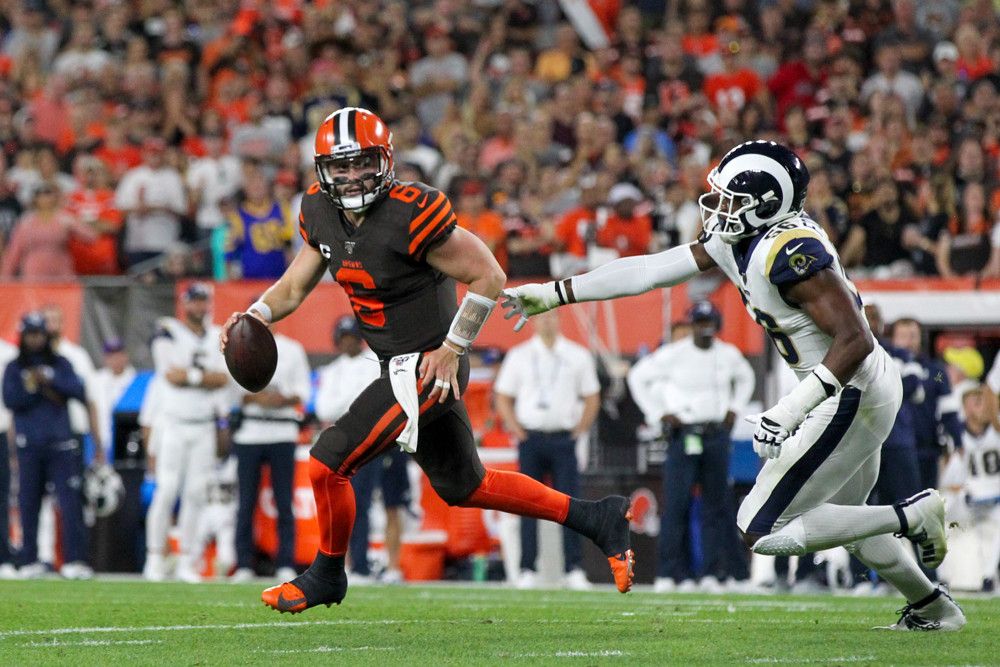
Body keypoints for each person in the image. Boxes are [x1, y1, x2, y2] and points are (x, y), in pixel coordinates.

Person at [503, 140, 965, 631]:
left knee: (759, 528)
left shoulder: (789, 251)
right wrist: (556, 293)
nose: (720, 208)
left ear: (766, 206)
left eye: (733, 199)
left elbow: (856, 340)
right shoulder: (742, 239)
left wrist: (789, 411)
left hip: (849, 391)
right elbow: (649, 270)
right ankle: (934, 608)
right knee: (847, 519)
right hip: (854, 389)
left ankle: (911, 516)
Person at [220, 107, 633, 614]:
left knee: (327, 462)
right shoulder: (319, 211)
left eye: (362, 162)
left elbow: (490, 275)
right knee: (467, 485)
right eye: (341, 166)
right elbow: (291, 288)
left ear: (385, 161)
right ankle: (597, 518)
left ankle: (326, 574)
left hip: (428, 363)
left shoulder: (411, 211)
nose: (353, 176)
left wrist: (454, 348)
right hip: (396, 366)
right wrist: (254, 315)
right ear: (323, 170)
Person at [627, 301, 755, 593]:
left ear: (717, 325)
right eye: (700, 322)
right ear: (692, 325)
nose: (704, 328)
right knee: (676, 505)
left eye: (709, 322)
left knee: (716, 506)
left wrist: (735, 407)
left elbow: (747, 377)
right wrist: (657, 413)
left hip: (715, 434)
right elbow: (637, 377)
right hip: (683, 434)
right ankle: (668, 573)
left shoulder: (727, 354)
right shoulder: (674, 354)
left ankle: (711, 572)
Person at [493, 309, 601, 591]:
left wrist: (580, 429)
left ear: (559, 319)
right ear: (533, 322)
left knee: (570, 506)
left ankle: (573, 568)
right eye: (542, 317)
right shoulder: (519, 355)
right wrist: (516, 428)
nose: (547, 321)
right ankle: (527, 568)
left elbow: (592, 396)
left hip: (564, 438)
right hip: (531, 438)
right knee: (528, 504)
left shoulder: (577, 355)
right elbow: (503, 396)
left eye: (552, 316)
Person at [144, 283, 230, 583]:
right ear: (184, 303)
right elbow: (171, 374)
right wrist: (202, 378)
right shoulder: (167, 331)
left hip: (203, 424)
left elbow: (224, 379)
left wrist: (191, 377)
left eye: (203, 301)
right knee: (166, 490)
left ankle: (186, 560)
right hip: (173, 423)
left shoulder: (218, 334)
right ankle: (155, 557)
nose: (199, 306)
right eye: (194, 301)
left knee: (196, 493)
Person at [315, 316, 406, 584]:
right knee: (353, 504)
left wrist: (347, 406)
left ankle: (386, 566)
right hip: (351, 443)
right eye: (343, 338)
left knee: (389, 504)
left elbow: (374, 404)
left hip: (383, 440)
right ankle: (356, 565)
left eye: (352, 337)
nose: (348, 343)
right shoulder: (332, 370)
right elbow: (323, 409)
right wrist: (354, 402)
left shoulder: (377, 363)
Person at [2, 312, 90, 579]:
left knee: (70, 502)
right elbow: (11, 399)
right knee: (28, 503)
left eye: (39, 334)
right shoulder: (14, 367)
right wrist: (34, 388)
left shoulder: (60, 363)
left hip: (60, 443)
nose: (35, 340)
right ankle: (30, 559)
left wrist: (49, 379)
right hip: (29, 445)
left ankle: (74, 560)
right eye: (30, 334)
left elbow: (78, 390)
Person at [230, 322, 311, 583]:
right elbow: (232, 392)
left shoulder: (292, 349)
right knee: (246, 501)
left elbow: (304, 391)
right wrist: (256, 397)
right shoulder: (240, 348)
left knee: (284, 501)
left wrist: (281, 399)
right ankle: (243, 563)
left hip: (282, 430)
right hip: (250, 431)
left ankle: (285, 562)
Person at [890, 318, 964, 489]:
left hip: (927, 450)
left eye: (913, 336)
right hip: (895, 450)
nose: (908, 342)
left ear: (921, 338)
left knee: (928, 499)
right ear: (892, 339)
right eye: (903, 336)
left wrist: (958, 441)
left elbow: (948, 410)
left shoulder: (935, 372)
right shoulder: (886, 370)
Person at [91, 338, 136, 460]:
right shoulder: (97, 380)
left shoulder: (135, 380)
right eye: (110, 355)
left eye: (118, 354)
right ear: (105, 358)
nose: (115, 359)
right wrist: (98, 445)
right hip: (104, 442)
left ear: (125, 356)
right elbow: (93, 413)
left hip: (129, 442)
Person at [0, 336, 17, 578]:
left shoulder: (8, 353)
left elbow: (12, 405)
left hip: (1, 432)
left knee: (2, 498)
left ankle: (3, 556)